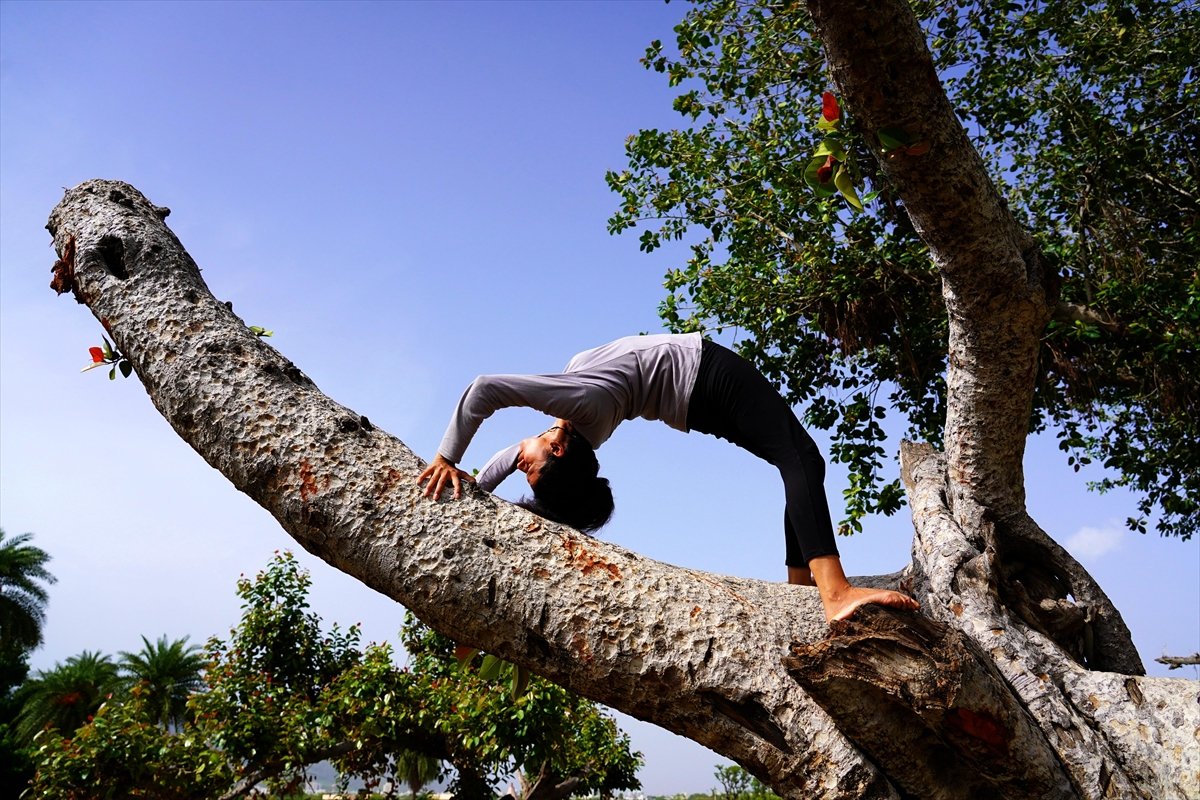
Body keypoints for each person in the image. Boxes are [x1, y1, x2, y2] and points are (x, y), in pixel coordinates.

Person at [418, 333, 918, 622]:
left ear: (558, 446)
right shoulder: (581, 411)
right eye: (530, 471)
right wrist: (458, 469)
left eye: (528, 469)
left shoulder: (577, 415)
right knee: (801, 460)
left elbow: (495, 424)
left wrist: (457, 471)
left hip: (697, 391)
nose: (519, 463)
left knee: (798, 460)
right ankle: (833, 593)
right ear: (560, 449)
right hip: (704, 378)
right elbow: (493, 410)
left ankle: (801, 590)